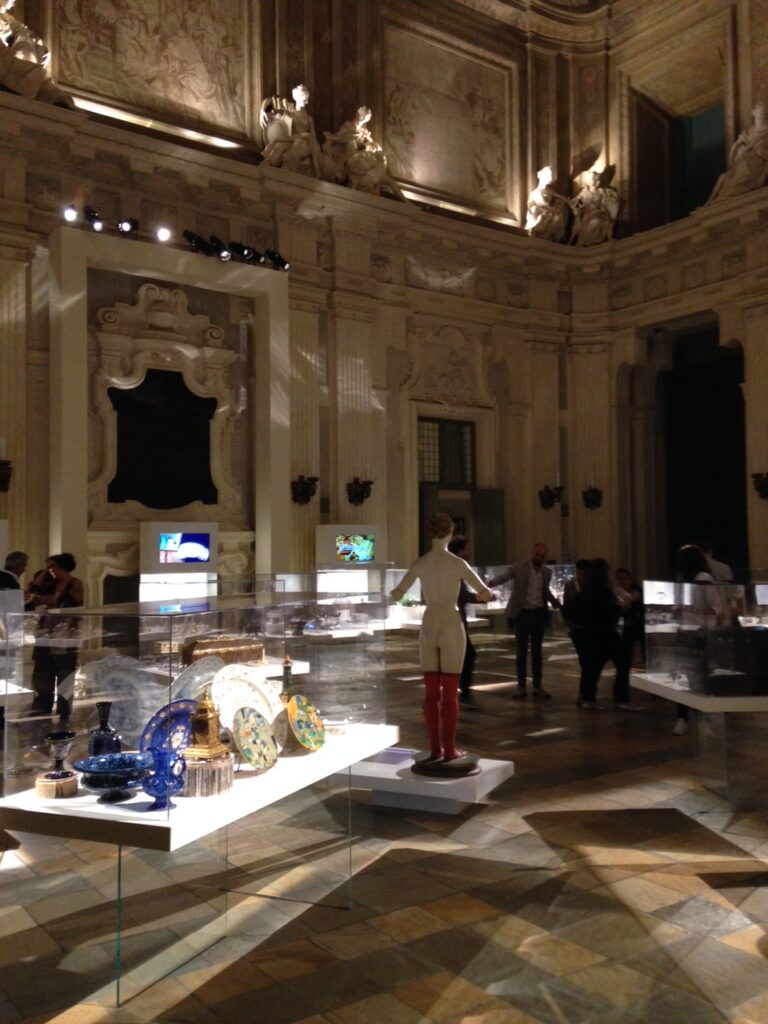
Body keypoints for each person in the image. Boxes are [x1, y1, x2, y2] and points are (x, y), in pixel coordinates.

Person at [390, 514, 491, 763]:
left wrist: (407, 600)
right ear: (449, 534)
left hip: (429, 622)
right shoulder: (458, 564)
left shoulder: (421, 563)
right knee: (450, 692)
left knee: (431, 692)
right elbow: (484, 593)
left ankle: (435, 749)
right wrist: (482, 596)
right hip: (451, 622)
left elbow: (396, 594)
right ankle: (450, 749)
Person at [489, 542, 561, 700]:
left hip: (538, 614)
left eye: (542, 556)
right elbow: (504, 577)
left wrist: (555, 602)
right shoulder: (519, 567)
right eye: (537, 555)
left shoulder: (547, 572)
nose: (539, 558)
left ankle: (537, 686)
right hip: (522, 614)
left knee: (537, 652)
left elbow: (545, 591)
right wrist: (490, 584)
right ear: (531, 553)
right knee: (521, 651)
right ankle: (521, 686)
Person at [671, 544, 723, 735]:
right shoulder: (682, 580)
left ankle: (703, 718)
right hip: (686, 633)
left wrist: (695, 612)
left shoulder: (704, 579)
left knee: (700, 678)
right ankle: (682, 717)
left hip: (700, 634)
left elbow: (715, 606)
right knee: (684, 677)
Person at [29, 552, 84, 721]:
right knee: (43, 673)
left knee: (65, 674)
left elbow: (76, 605)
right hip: (46, 633)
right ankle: (42, 707)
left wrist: (56, 605)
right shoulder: (49, 584)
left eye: (54, 567)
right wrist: (45, 570)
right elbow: (32, 588)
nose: (51, 570)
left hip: (65, 634)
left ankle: (64, 712)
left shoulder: (75, 584)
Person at [447, 535, 483, 707]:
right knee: (468, 655)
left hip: (450, 620)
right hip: (453, 622)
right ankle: (463, 692)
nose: (467, 552)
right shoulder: (456, 567)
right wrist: (482, 597)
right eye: (465, 549)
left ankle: (456, 691)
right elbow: (462, 595)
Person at [258, 83, 322, 178]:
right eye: (305, 99)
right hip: (291, 139)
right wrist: (262, 111)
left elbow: (313, 137)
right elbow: (270, 101)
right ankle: (268, 165)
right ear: (297, 98)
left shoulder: (309, 119)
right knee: (280, 146)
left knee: (295, 145)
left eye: (307, 99)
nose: (307, 102)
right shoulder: (289, 110)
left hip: (303, 142)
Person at [708, 103, 768, 203]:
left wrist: (760, 153)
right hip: (744, 158)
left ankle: (732, 194)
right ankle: (721, 197)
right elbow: (738, 145)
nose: (762, 115)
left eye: (763, 113)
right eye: (759, 112)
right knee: (728, 175)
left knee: (745, 169)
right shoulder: (751, 131)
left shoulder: (766, 131)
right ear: (754, 114)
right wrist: (735, 157)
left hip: (757, 159)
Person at [570, 169, 619, 246]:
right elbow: (576, 204)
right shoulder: (584, 193)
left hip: (600, 215)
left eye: (595, 178)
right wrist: (577, 205)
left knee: (598, 221)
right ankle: (586, 242)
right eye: (592, 179)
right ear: (588, 182)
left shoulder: (603, 192)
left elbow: (611, 201)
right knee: (593, 223)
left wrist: (606, 205)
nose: (594, 180)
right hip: (588, 216)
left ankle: (593, 242)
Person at [525, 166, 569, 241]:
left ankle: (553, 236)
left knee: (559, 215)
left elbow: (560, 197)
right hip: (538, 213)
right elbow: (545, 205)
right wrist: (554, 210)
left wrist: (568, 201)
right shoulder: (536, 193)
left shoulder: (548, 190)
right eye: (548, 176)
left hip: (548, 212)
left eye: (550, 176)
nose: (549, 178)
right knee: (551, 216)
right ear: (542, 176)